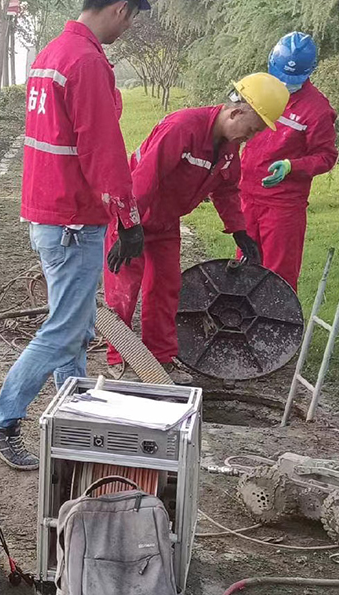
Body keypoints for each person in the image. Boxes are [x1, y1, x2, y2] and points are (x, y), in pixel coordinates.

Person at [0, 0, 150, 471]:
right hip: (73, 219)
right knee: (63, 328)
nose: (129, 24)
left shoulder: (52, 52)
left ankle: (71, 419)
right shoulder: (87, 61)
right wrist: (129, 220)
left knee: (73, 327)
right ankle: (1, 419)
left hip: (49, 215)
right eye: (133, 14)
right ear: (119, 7)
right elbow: (103, 150)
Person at [104, 73, 289, 383]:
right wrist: (128, 227)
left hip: (166, 221)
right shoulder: (183, 128)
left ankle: (160, 357)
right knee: (124, 289)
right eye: (252, 129)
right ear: (237, 111)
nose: (251, 138)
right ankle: (118, 357)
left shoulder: (228, 149)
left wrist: (240, 231)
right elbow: (145, 178)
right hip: (135, 213)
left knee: (165, 288)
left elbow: (227, 190)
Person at [240, 32, 338, 290]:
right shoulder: (261, 90)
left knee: (278, 277)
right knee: (243, 268)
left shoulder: (316, 109)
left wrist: (292, 166)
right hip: (248, 196)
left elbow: (327, 157)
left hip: (282, 205)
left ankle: (276, 327)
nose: (284, 85)